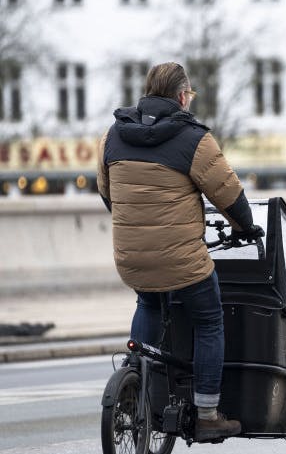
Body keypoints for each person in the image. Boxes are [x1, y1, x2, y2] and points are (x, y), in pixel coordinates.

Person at [96, 62, 263, 442]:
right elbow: (229, 196)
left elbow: (108, 195)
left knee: (150, 303)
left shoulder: (111, 136)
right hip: (181, 259)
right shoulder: (193, 139)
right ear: (182, 96)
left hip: (131, 256)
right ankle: (207, 412)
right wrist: (247, 228)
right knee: (208, 318)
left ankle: (134, 388)